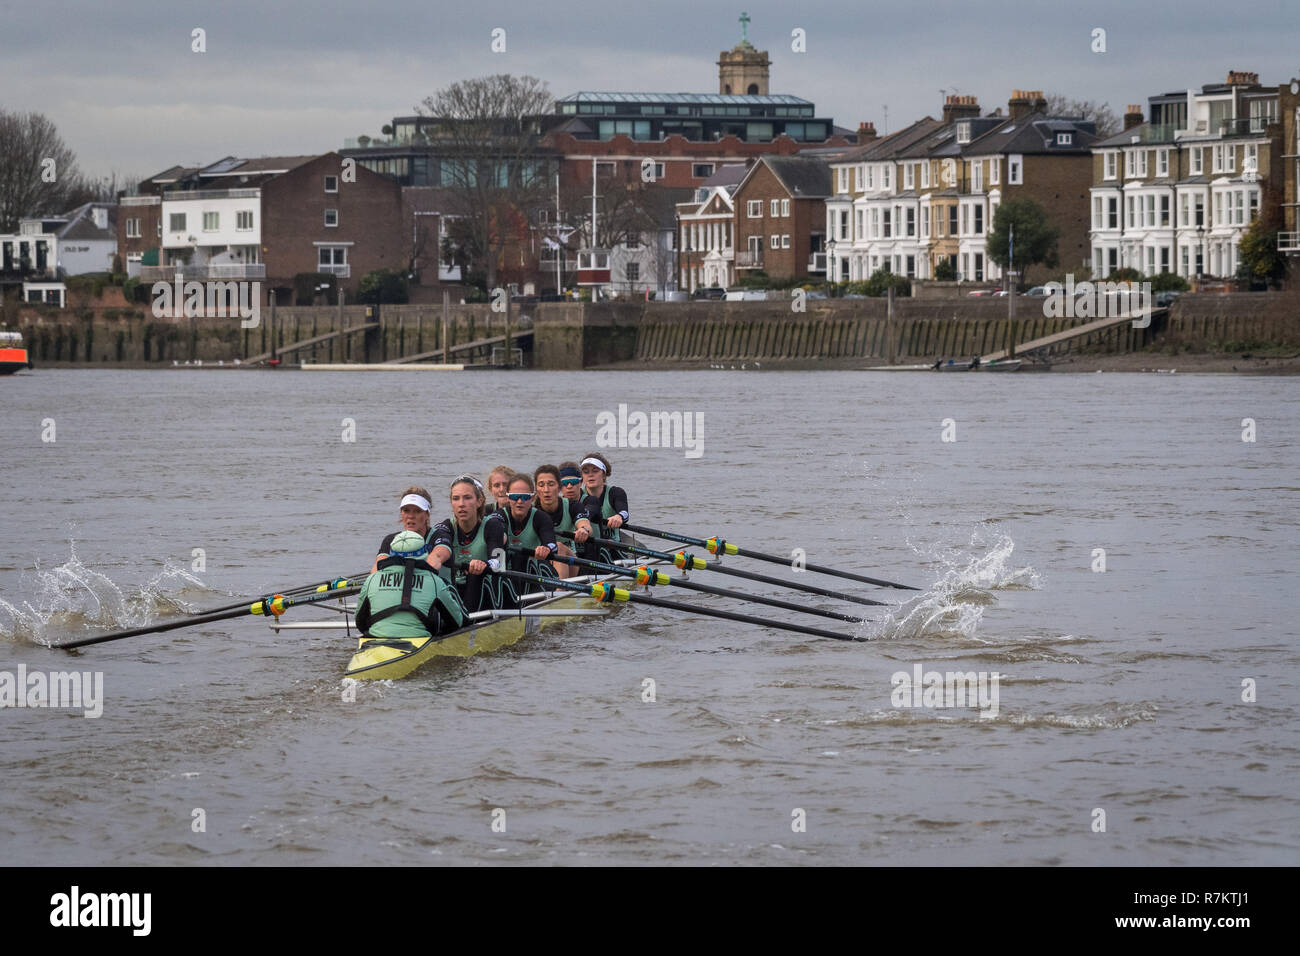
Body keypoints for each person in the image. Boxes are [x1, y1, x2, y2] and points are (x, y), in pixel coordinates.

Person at [355, 530, 467, 641]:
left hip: (376, 639)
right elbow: (456, 622)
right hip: (420, 640)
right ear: (423, 553)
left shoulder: (371, 579)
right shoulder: (435, 581)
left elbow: (360, 623)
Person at [429, 475, 513, 612]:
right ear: (451, 503)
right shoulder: (444, 528)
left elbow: (498, 562)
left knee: (475, 575)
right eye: (456, 499)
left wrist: (483, 564)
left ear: (479, 501)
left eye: (467, 498)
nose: (461, 504)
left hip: (488, 594)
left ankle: (465, 621)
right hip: (456, 591)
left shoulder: (493, 526)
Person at [534, 464, 594, 578]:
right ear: (536, 489)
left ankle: (561, 591)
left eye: (551, 484)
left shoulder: (573, 506)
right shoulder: (530, 510)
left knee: (559, 546)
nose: (546, 490)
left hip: (570, 564)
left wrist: (583, 530)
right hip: (541, 563)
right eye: (541, 485)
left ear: (559, 487)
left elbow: (586, 525)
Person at [500, 473, 559, 577]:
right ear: (508, 498)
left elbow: (552, 544)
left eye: (525, 497)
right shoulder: (498, 516)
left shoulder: (541, 518)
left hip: (532, 572)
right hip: (505, 571)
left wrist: (546, 549)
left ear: (533, 498)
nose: (519, 501)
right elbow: (496, 531)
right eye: (514, 497)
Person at [577, 452, 629, 564]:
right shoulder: (577, 496)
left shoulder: (615, 493)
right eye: (586, 472)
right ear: (582, 477)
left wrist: (619, 516)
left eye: (595, 471)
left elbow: (624, 512)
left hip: (612, 547)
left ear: (604, 475)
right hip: (585, 547)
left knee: (604, 547)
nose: (590, 475)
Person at [372, 486, 434, 573]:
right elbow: (376, 571)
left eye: (417, 511)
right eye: (406, 510)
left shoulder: (438, 536)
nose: (411, 516)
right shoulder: (390, 540)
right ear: (401, 513)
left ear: (427, 514)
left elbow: (437, 558)